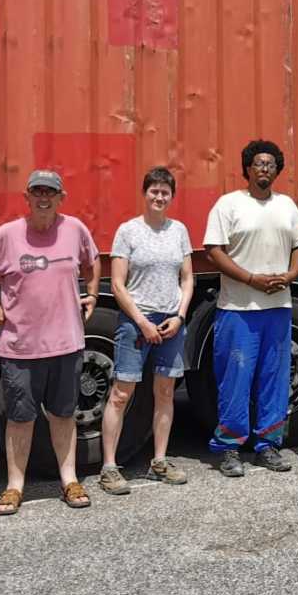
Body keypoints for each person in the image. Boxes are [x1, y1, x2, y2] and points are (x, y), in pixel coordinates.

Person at [0, 170, 100, 514]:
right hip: (21, 347)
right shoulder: (8, 235)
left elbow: (93, 260)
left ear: (60, 198)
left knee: (63, 415)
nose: (43, 198)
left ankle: (69, 480)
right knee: (20, 418)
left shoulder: (75, 229)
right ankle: (14, 487)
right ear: (27, 197)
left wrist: (93, 294)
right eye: (37, 192)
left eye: (50, 192)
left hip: (67, 345)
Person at [203, 139, 298, 477]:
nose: (265, 168)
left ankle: (268, 445)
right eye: (259, 163)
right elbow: (214, 250)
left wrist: (291, 275)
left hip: (277, 306)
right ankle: (229, 448)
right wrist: (250, 279)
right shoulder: (228, 204)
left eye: (271, 164)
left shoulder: (286, 205)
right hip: (238, 308)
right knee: (235, 379)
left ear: (277, 170)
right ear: (247, 168)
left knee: (274, 379)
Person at [98, 165, 195, 494]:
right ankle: (109, 467)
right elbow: (117, 284)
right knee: (121, 393)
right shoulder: (128, 231)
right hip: (136, 322)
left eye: (165, 192)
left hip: (171, 321)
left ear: (172, 196)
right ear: (145, 193)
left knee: (165, 392)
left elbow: (187, 279)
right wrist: (142, 322)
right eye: (154, 190)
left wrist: (180, 316)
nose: (159, 196)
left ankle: (160, 461)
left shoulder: (179, 230)